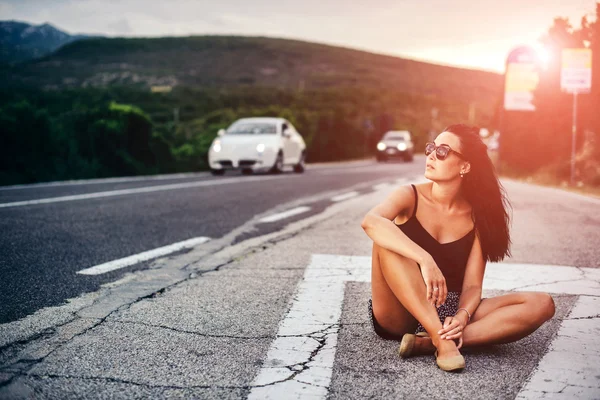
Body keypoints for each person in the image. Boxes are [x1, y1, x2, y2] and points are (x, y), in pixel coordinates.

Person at [360, 124, 555, 372]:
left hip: (448, 309)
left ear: (465, 166)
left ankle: (430, 342)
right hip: (399, 311)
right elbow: (371, 222)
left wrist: (462, 315)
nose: (431, 155)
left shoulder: (477, 218)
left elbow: (473, 285)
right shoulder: (409, 196)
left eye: (443, 151)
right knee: (387, 238)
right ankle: (441, 340)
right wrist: (425, 260)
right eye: (431, 148)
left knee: (542, 304)